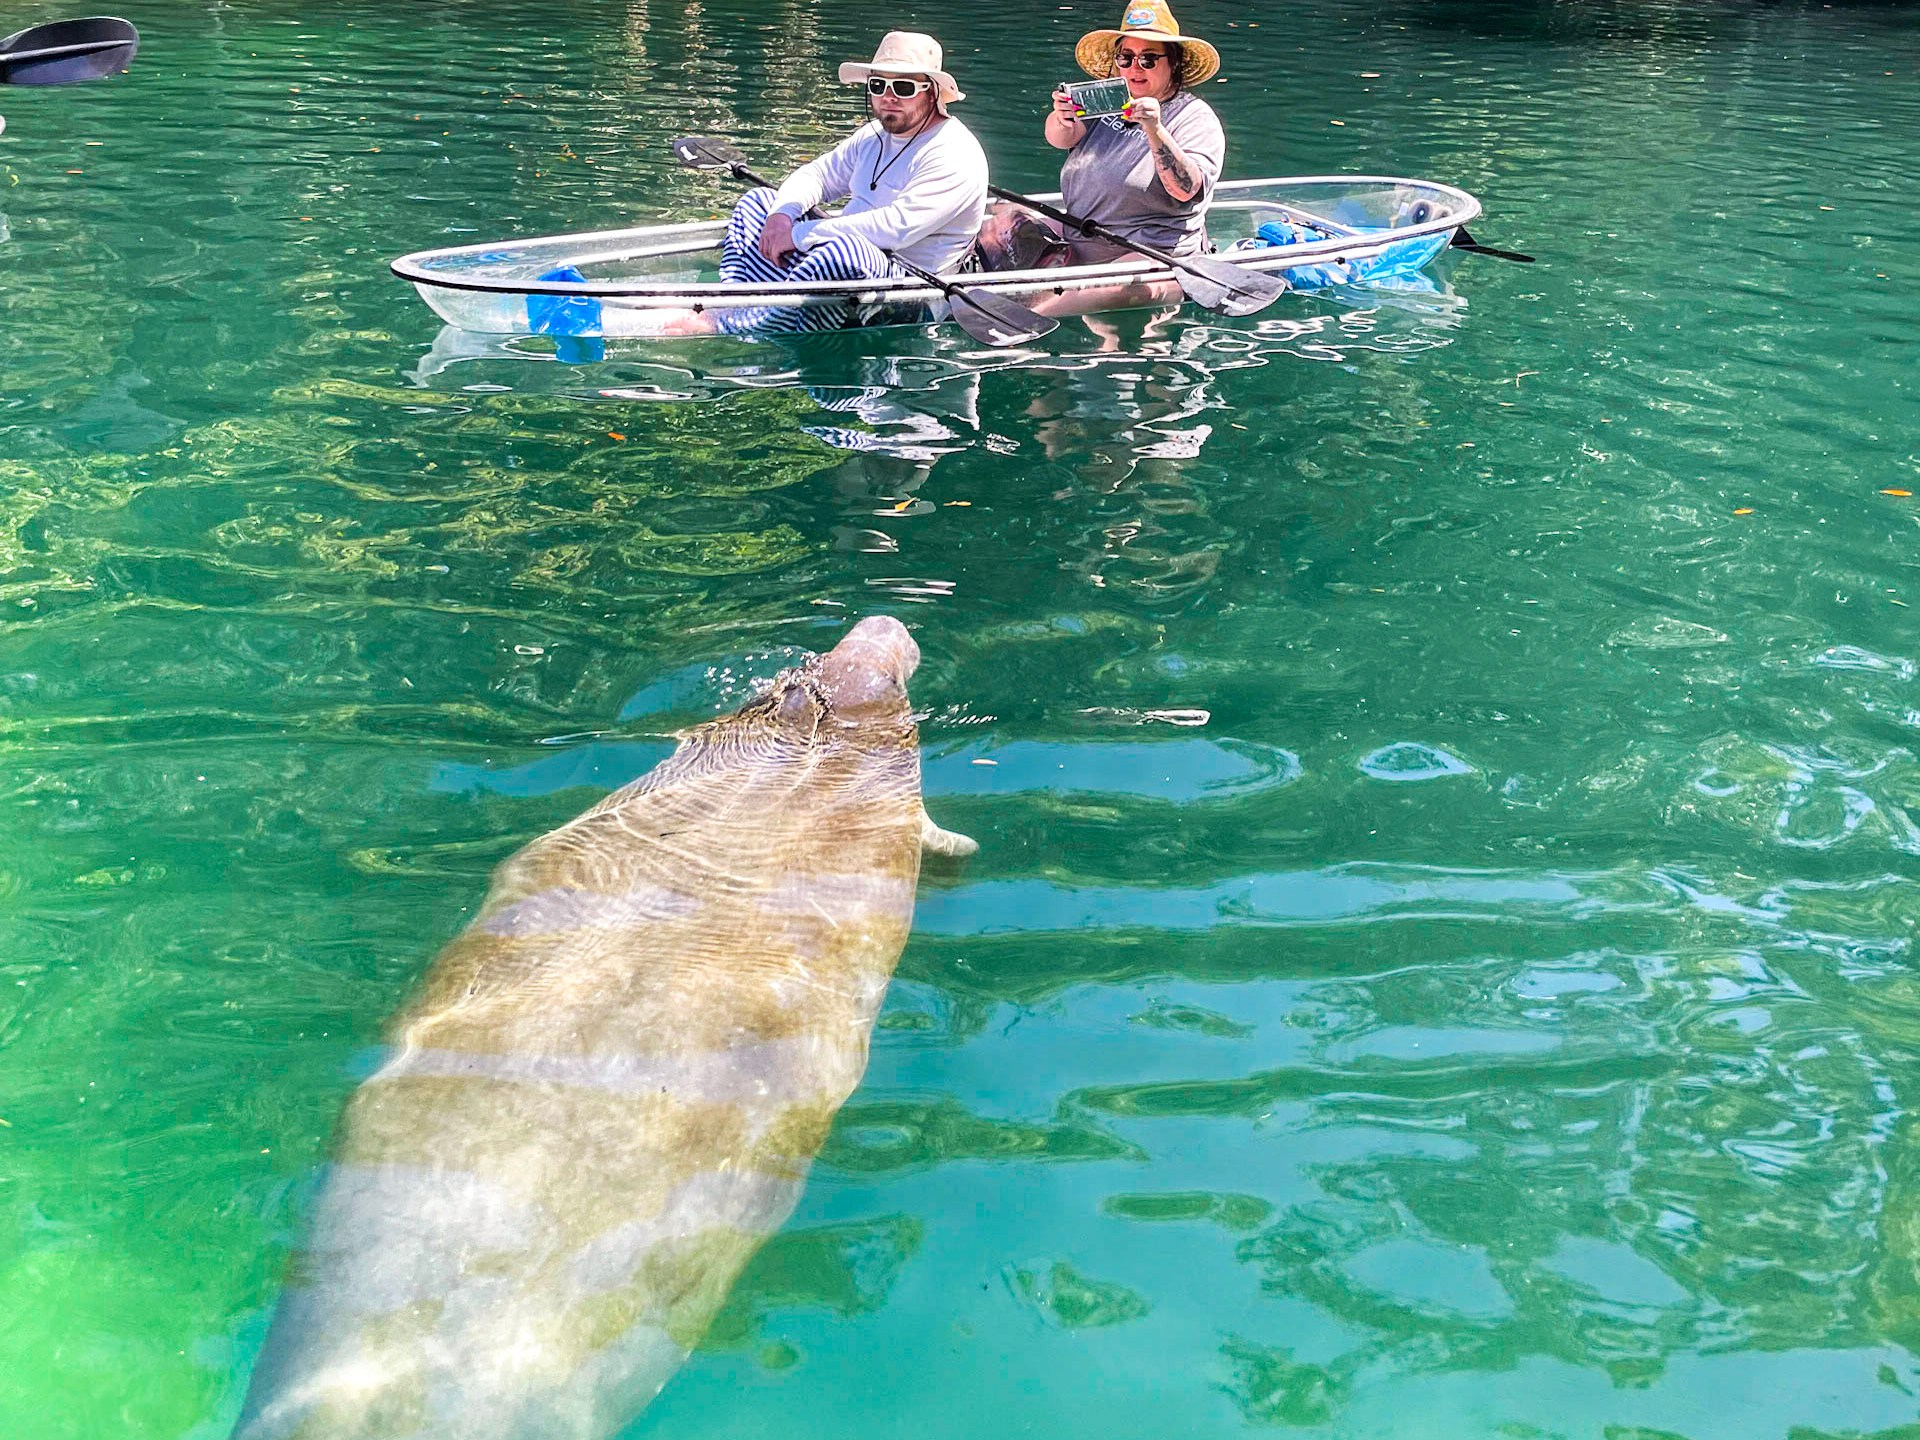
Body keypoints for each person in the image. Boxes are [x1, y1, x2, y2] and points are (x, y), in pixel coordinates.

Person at [661, 32, 988, 336]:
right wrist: (782, 217)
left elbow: (895, 229)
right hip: (845, 259)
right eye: (878, 86)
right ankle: (736, 300)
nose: (888, 98)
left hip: (905, 290)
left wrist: (798, 235)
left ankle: (726, 325)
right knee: (759, 201)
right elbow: (815, 175)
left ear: (931, 92)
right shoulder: (872, 137)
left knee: (843, 252)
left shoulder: (954, 153)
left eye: (903, 88)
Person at [1043, 0, 1225, 260]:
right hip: (1079, 233)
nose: (1134, 67)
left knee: (1049, 299)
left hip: (1150, 250)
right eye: (1125, 57)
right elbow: (1060, 139)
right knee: (1003, 226)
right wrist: (1062, 117)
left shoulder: (1195, 117)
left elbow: (1186, 190)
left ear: (1173, 62)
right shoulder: (1109, 98)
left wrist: (1154, 128)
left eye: (1148, 59)